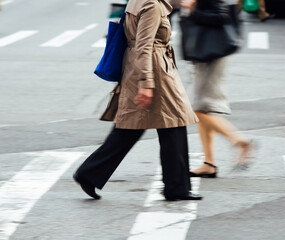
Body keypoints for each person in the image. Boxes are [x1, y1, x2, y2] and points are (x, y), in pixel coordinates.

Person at [73, 0, 202, 201]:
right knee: (171, 123)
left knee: (134, 127)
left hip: (142, 68)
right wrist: (146, 82)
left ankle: (89, 173)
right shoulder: (151, 5)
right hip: (154, 71)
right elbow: (144, 45)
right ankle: (176, 188)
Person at [181, 0, 254, 178]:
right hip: (206, 53)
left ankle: (239, 140)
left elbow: (221, 16)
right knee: (202, 109)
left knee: (197, 110)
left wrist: (192, 11)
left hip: (210, 54)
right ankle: (209, 163)